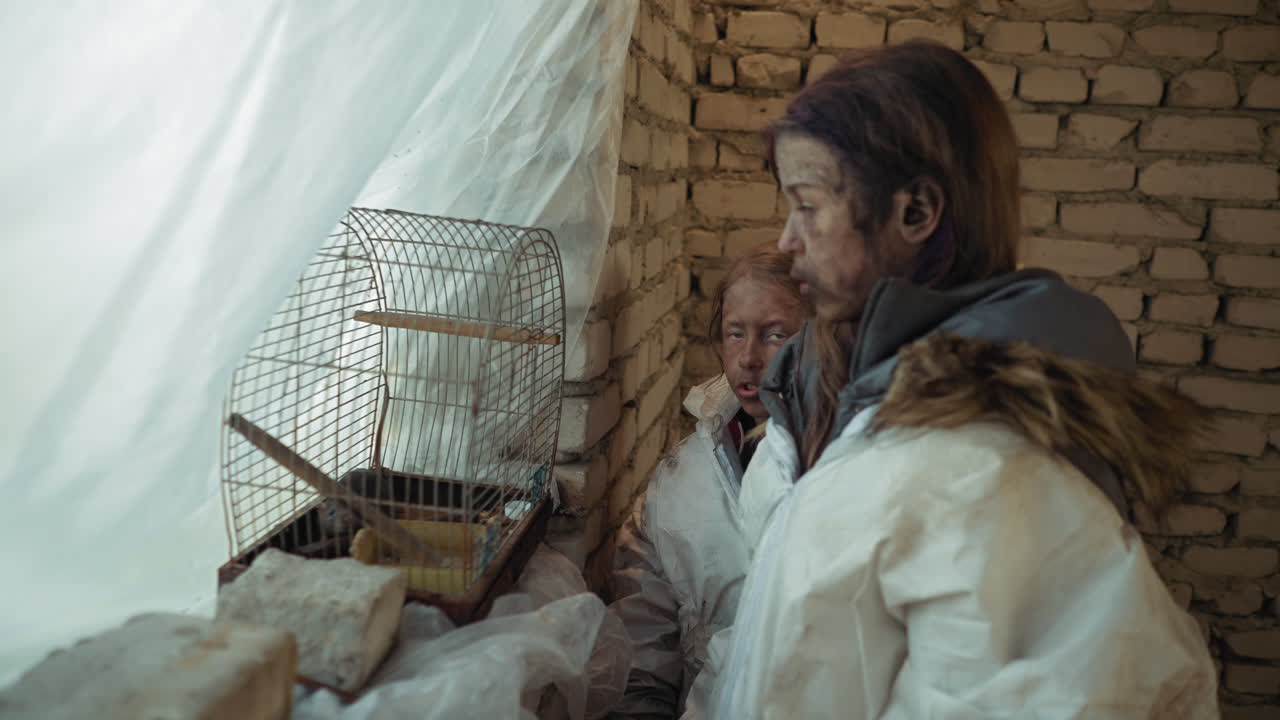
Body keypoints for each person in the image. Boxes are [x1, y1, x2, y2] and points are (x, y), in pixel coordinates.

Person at [709, 41, 1219, 719]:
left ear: (916, 212)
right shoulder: (863, 396)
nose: (786, 241)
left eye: (806, 205)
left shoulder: (981, 468)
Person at [608, 245, 812, 719]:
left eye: (775, 336)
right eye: (735, 333)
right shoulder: (682, 480)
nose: (749, 358)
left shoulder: (837, 468)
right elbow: (643, 643)